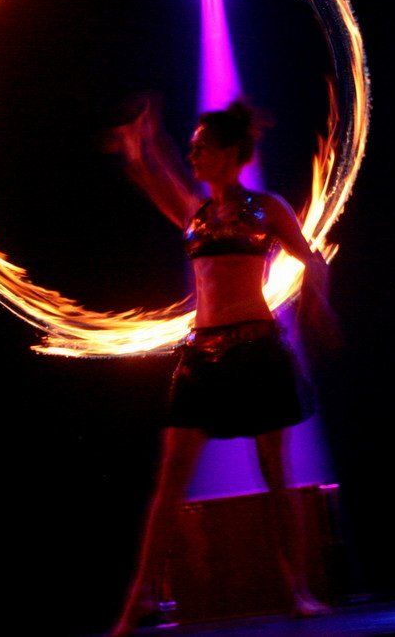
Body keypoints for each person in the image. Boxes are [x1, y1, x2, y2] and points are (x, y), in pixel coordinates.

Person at [103, 95, 343, 637]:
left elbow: (312, 259)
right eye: (191, 148)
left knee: (276, 476)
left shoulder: (266, 208)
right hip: (201, 358)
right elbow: (151, 177)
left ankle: (298, 592)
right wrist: (140, 145)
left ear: (231, 153)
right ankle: (139, 599)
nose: (193, 156)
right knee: (169, 481)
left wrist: (318, 302)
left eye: (202, 147)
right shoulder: (195, 213)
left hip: (257, 352)